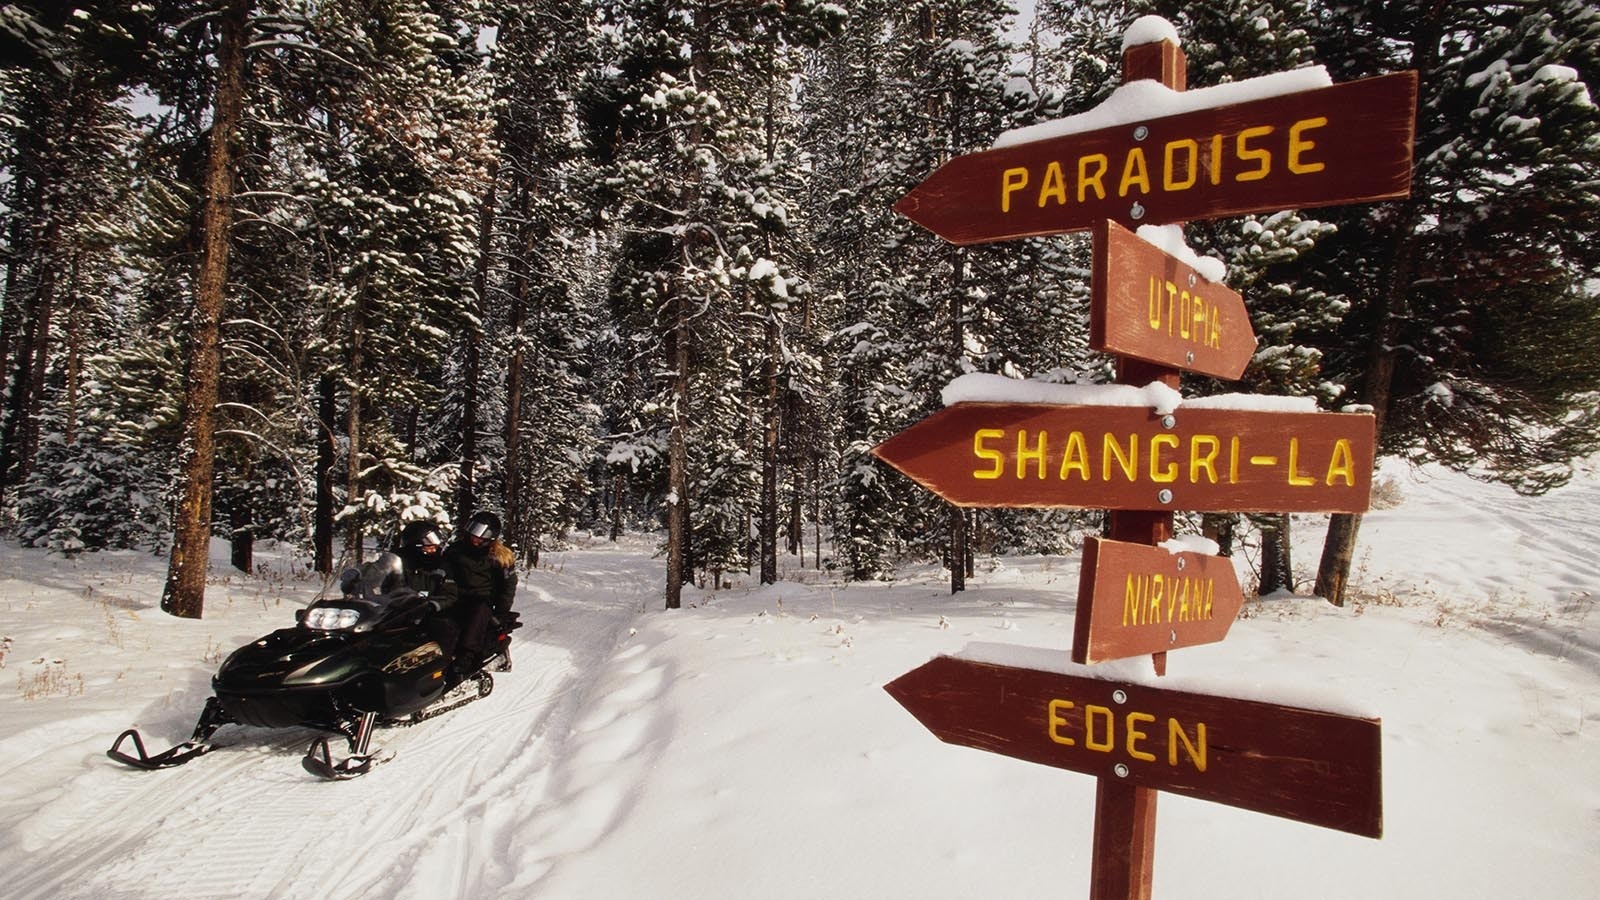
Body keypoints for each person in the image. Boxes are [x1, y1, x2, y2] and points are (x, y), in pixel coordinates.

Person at [441, 510, 519, 675]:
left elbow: (508, 586)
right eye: (473, 533)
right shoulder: (455, 550)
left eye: (480, 536)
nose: (475, 538)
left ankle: (466, 656)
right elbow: (443, 571)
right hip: (455, 597)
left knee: (477, 612)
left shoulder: (500, 557)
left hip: (482, 600)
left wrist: (502, 612)